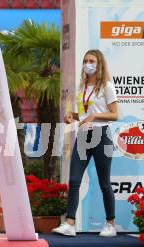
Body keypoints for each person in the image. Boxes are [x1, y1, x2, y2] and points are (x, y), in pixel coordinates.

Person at [52, 49, 118, 237]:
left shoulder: (106, 86)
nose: (88, 64)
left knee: (104, 182)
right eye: (85, 60)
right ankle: (70, 223)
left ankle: (110, 224)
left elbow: (115, 114)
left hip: (101, 135)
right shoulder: (81, 88)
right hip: (83, 136)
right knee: (74, 180)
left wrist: (95, 115)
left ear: (99, 64)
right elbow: (83, 115)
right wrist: (71, 116)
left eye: (92, 61)